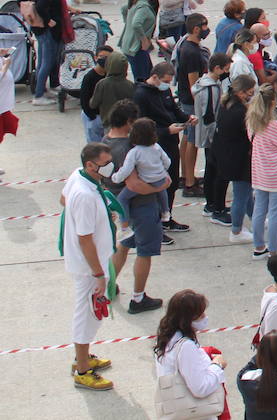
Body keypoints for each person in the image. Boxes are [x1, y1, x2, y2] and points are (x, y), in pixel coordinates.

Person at [61, 142, 119, 391]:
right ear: (90, 164)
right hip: (89, 267)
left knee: (88, 313)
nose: (109, 168)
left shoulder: (79, 176)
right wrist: (98, 274)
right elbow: (85, 239)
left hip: (90, 262)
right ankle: (83, 370)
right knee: (88, 315)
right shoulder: (84, 195)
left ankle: (82, 356)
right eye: (105, 164)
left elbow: (63, 199)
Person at [103, 102, 168, 313]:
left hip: (122, 207)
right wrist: (161, 187)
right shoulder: (129, 148)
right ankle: (138, 298)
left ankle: (109, 288)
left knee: (124, 245)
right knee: (145, 251)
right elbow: (134, 185)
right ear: (129, 123)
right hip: (142, 206)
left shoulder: (106, 141)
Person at [135, 61, 191, 234]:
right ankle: (156, 224)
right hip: (154, 146)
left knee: (171, 182)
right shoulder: (141, 95)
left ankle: (167, 218)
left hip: (170, 142)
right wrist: (166, 130)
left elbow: (173, 109)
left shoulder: (164, 89)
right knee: (157, 186)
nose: (167, 84)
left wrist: (187, 118)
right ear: (154, 77)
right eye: (165, 80)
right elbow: (141, 127)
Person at [153, 290, 229, 416]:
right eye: (200, 315)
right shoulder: (186, 347)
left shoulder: (166, 337)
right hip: (195, 413)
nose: (205, 317)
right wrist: (217, 366)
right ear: (187, 320)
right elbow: (200, 388)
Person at [248, 77, 277, 258]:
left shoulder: (251, 122)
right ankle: (274, 250)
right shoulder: (275, 126)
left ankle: (258, 247)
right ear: (273, 102)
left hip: (260, 172)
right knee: (276, 213)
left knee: (259, 210)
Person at [21, 0, 73, 105]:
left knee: (42, 61)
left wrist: (31, 17)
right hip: (49, 30)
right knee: (47, 62)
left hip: (37, 29)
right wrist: (49, 20)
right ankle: (39, 95)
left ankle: (42, 89)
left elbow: (21, 0)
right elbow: (41, 7)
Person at [210, 78, 256, 240]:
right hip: (239, 159)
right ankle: (236, 231)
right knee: (241, 195)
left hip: (227, 155)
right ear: (241, 92)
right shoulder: (240, 112)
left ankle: (255, 217)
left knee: (246, 192)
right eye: (250, 91)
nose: (252, 94)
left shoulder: (226, 105)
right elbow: (250, 134)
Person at [194, 52, 233, 225]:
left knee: (211, 170)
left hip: (208, 135)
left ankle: (212, 204)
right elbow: (209, 115)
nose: (227, 72)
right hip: (212, 136)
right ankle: (216, 207)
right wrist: (216, 136)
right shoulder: (211, 88)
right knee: (217, 172)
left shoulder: (205, 84)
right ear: (217, 68)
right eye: (225, 69)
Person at [78, 46, 114, 143]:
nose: (104, 60)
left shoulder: (111, 75)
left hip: (106, 116)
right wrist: (92, 116)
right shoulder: (89, 77)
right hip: (93, 115)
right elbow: (84, 99)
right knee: (94, 145)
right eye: (101, 57)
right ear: (95, 57)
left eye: (108, 57)